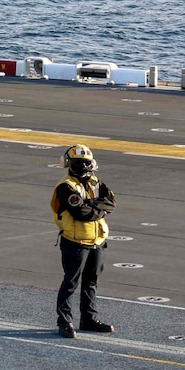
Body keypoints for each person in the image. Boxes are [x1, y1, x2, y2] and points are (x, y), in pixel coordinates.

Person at [52, 143, 116, 338]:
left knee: (91, 282)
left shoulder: (95, 183)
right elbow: (80, 212)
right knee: (71, 282)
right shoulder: (66, 186)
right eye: (79, 163)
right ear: (69, 164)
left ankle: (88, 318)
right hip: (75, 241)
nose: (83, 167)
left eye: (85, 163)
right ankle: (64, 321)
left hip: (96, 241)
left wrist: (91, 205)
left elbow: (111, 202)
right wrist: (99, 209)